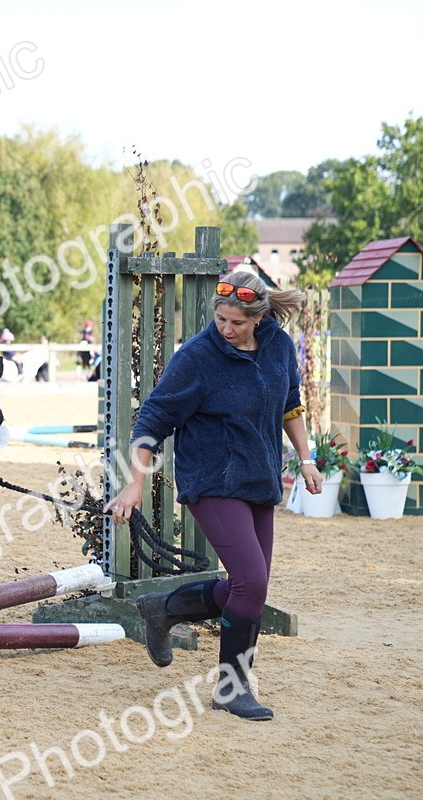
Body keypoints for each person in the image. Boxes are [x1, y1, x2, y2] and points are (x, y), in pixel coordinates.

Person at [103, 271, 316, 722]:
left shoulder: (277, 347)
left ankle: (162, 609)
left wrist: (307, 458)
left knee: (248, 589)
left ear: (258, 318)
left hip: (259, 481)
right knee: (252, 583)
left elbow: (290, 404)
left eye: (237, 322)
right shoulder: (197, 357)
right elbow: (154, 419)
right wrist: (135, 482)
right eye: (220, 319)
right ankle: (232, 688)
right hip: (212, 481)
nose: (226, 328)